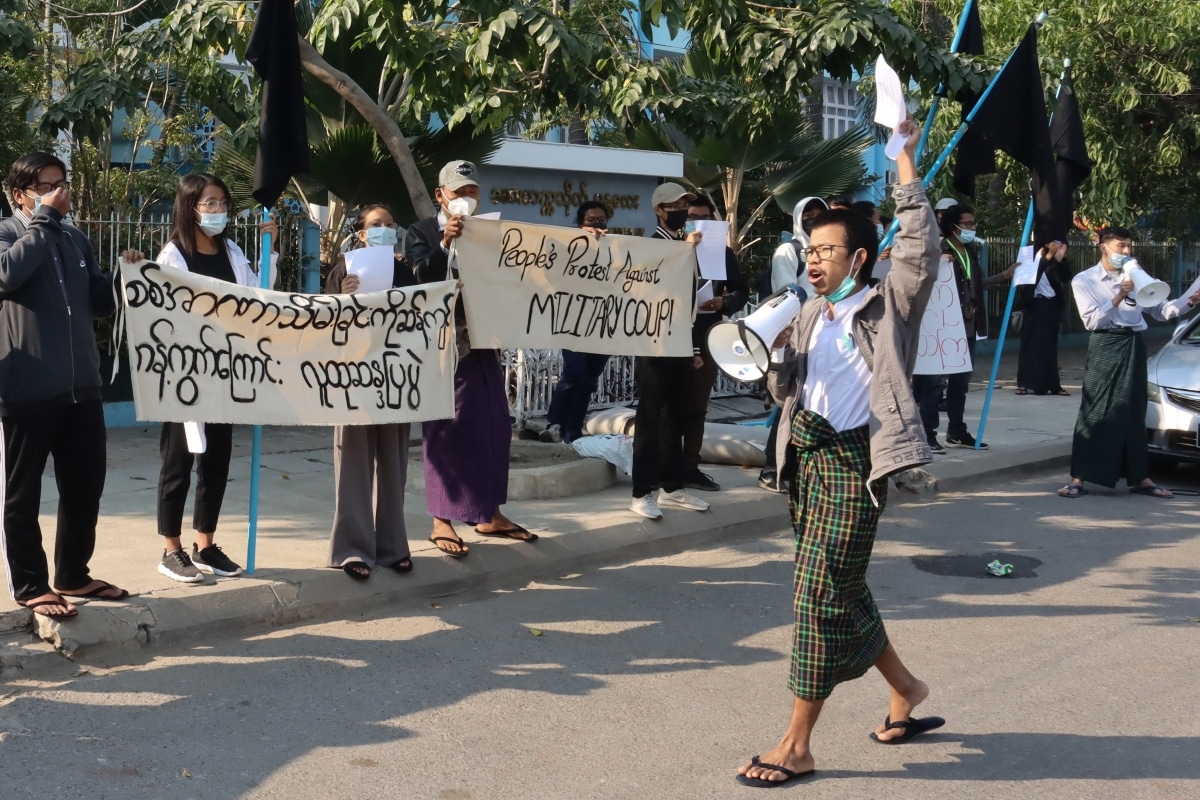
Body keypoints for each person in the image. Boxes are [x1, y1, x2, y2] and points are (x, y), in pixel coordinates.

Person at [738, 115, 943, 788]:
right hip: (808, 463)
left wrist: (904, 157)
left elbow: (920, 244)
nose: (815, 258)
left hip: (857, 467)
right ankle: (907, 689)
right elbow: (786, 390)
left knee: (818, 600)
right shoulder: (803, 313)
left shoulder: (890, 306)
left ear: (859, 258)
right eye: (810, 249)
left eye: (828, 249)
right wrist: (770, 358)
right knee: (841, 590)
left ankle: (796, 745)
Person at [0, 151, 126, 618]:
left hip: (82, 388)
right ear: (20, 195)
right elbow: (7, 274)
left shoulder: (74, 238)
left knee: (85, 483)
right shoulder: (7, 232)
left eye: (61, 184)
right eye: (47, 187)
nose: (60, 194)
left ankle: (73, 574)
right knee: (22, 492)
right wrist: (44, 221)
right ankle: (31, 584)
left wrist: (122, 277)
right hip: (25, 389)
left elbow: (98, 303)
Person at [145, 174, 278, 583]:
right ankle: (172, 549)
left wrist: (271, 251)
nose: (218, 211)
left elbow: (257, 296)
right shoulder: (174, 256)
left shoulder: (232, 249)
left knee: (216, 461)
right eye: (210, 204)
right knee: (178, 464)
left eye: (222, 203)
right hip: (186, 376)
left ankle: (206, 544)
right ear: (190, 207)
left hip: (225, 374)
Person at [406, 160, 535, 556]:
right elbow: (416, 279)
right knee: (447, 428)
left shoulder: (490, 232)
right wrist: (444, 242)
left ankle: (488, 512)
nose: (466, 198)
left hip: (483, 341)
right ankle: (441, 521)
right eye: (459, 192)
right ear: (440, 194)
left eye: (472, 191)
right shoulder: (421, 232)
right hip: (444, 346)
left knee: (495, 425)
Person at [1057, 226, 1200, 499]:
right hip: (1106, 343)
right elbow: (1092, 322)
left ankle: (1140, 477)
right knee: (1096, 409)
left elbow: (1163, 311)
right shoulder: (1084, 280)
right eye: (1120, 246)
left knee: (1134, 410)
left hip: (1133, 344)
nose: (1126, 251)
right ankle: (1079, 476)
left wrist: (1190, 301)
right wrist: (1119, 295)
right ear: (1103, 247)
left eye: (1128, 246)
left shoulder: (1139, 277)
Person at [326, 204, 417, 580]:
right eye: (376, 225)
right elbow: (323, 324)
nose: (385, 229)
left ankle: (394, 547)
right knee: (353, 464)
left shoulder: (404, 272)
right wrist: (342, 298)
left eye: (390, 224)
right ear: (361, 234)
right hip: (354, 380)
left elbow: (418, 317)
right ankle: (352, 549)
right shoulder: (343, 271)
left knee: (394, 463)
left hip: (394, 377)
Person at [629, 182, 710, 519]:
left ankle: (672, 487)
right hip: (653, 345)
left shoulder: (684, 248)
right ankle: (640, 492)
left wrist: (691, 348)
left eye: (684, 205)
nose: (681, 210)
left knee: (676, 418)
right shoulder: (652, 246)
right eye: (674, 205)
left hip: (678, 345)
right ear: (659, 211)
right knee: (650, 421)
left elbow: (687, 304)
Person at [910, 204, 1013, 453]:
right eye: (967, 224)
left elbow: (973, 285)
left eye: (973, 224)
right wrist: (934, 263)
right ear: (952, 225)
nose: (971, 228)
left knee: (960, 382)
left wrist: (1003, 276)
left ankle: (956, 431)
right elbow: (916, 278)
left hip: (967, 328)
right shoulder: (937, 250)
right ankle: (927, 431)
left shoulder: (968, 250)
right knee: (935, 383)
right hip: (941, 327)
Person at [680, 195, 749, 492]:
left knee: (697, 406)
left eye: (705, 218)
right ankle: (661, 465)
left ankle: (689, 467)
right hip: (672, 336)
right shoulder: (668, 249)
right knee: (666, 405)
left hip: (707, 335)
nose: (700, 225)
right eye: (693, 217)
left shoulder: (722, 254)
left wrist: (725, 301)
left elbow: (742, 290)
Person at [758, 198, 825, 493]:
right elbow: (789, 294)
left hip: (826, 336)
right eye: (807, 214)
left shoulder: (829, 251)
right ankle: (772, 468)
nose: (813, 218)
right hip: (798, 337)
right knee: (791, 403)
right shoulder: (790, 251)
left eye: (818, 214)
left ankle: (797, 468)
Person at [541, 201, 613, 444]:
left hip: (602, 321)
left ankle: (573, 429)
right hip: (572, 319)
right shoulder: (567, 245)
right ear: (580, 223)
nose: (597, 224)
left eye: (601, 219)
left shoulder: (616, 248)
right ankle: (555, 422)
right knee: (574, 371)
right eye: (591, 220)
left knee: (590, 378)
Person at [1015, 241, 1072, 396]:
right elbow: (1028, 281)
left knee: (1049, 346)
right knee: (1028, 345)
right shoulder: (1028, 255)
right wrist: (1046, 257)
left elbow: (1065, 278)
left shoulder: (1054, 260)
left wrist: (1060, 260)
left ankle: (1053, 384)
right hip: (1032, 305)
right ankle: (1024, 383)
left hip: (1050, 306)